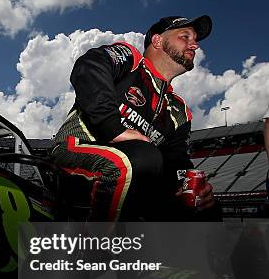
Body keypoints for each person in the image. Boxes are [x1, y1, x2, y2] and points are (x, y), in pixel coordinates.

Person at [50, 15, 219, 221]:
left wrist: (193, 188)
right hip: (74, 151)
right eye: (185, 36)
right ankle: (94, 248)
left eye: (195, 39)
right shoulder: (130, 60)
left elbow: (176, 164)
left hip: (137, 174)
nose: (195, 45)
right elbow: (89, 66)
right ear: (157, 41)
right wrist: (113, 128)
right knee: (142, 157)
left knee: (206, 209)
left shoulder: (179, 111)